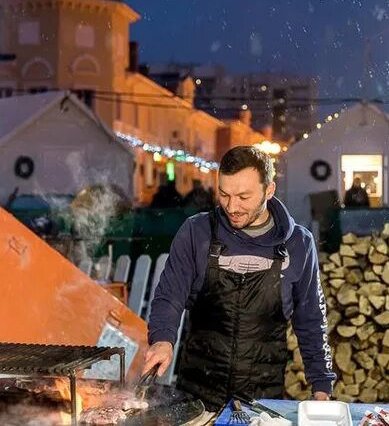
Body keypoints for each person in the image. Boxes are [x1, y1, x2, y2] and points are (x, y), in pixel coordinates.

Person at [143, 146, 336, 411]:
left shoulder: (298, 244)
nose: (232, 207)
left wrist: (322, 386)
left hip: (262, 403)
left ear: (269, 190)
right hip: (196, 398)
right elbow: (169, 295)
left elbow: (311, 319)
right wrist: (162, 339)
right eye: (224, 194)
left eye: (244, 196)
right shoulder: (196, 232)